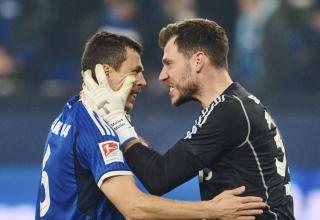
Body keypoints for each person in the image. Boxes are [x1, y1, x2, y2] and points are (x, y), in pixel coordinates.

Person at [35, 31, 266, 220]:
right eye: (135, 72)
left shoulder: (71, 113)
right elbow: (134, 208)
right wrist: (212, 210)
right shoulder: (97, 129)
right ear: (105, 73)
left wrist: (122, 127)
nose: (143, 82)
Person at [82, 19, 294, 219]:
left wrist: (117, 119)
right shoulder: (231, 106)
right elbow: (157, 167)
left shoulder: (229, 112)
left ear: (198, 61)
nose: (162, 75)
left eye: (169, 63)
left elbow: (158, 176)